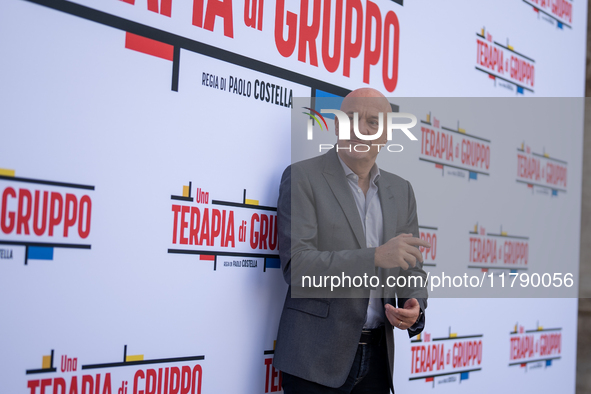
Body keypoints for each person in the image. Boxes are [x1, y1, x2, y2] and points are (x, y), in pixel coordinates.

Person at [273, 88, 430, 393]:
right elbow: (298, 267)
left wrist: (415, 304)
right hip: (314, 360)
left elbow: (411, 266)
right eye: (353, 118)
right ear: (336, 125)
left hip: (377, 360)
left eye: (373, 122)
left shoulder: (402, 190)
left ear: (386, 134)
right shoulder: (302, 177)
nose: (362, 129)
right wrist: (374, 257)